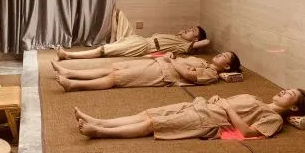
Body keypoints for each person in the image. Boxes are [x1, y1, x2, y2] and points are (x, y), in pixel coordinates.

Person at [74, 88, 305, 139]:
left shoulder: (274, 119)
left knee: (152, 124)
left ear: (293, 108)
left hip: (208, 120)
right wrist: (218, 99)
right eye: (286, 89)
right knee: (147, 113)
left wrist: (227, 108)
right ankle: (100, 121)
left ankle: (100, 132)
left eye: (289, 94)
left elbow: (247, 132)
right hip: (201, 105)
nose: (283, 91)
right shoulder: (254, 96)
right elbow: (226, 101)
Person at [56, 9, 210, 60]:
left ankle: (69, 55)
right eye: (190, 28)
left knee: (103, 50)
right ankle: (114, 42)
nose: (188, 30)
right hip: (139, 39)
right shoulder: (178, 38)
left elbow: (207, 42)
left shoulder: (184, 45)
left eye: (193, 31)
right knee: (118, 13)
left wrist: (192, 42)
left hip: (142, 46)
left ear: (195, 39)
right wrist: (182, 33)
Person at [52, 51, 241, 92]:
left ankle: (74, 85)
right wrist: (172, 56)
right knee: (114, 67)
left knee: (117, 77)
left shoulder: (211, 74)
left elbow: (189, 75)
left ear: (226, 66)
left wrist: (172, 61)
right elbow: (181, 61)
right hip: (159, 63)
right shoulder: (202, 60)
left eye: (224, 56)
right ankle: (70, 73)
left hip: (163, 75)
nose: (220, 54)